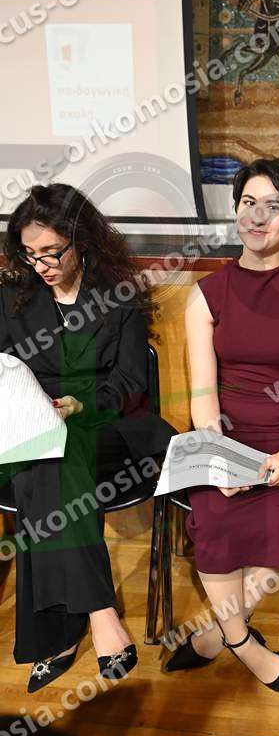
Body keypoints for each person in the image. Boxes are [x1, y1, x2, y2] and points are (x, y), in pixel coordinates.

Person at [164, 158, 279, 698]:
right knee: (214, 519)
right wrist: (218, 458)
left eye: (274, 207)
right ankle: (247, 646)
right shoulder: (205, 294)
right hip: (223, 432)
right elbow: (203, 393)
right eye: (248, 204)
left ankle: (214, 636)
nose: (258, 217)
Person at [0, 184, 175, 692]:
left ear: (81, 242)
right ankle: (101, 613)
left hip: (112, 426)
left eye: (51, 252)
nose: (41, 265)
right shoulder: (11, 298)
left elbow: (130, 382)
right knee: (46, 458)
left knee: (50, 460)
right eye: (30, 254)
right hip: (36, 425)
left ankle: (58, 634)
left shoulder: (120, 294)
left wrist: (82, 405)